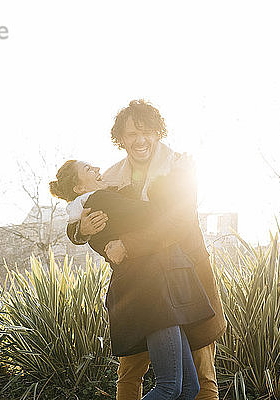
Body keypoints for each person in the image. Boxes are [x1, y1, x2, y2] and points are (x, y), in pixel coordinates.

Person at [67, 100, 226, 400]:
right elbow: (87, 215)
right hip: (139, 286)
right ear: (121, 139)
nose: (140, 140)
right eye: (131, 134)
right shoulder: (111, 177)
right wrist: (82, 231)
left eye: (147, 132)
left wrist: (127, 245)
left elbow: (178, 221)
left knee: (202, 378)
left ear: (157, 133)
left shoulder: (179, 167)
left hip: (187, 279)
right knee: (129, 375)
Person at [50, 159, 215, 400]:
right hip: (152, 293)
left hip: (163, 291)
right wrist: (180, 180)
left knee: (189, 388)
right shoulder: (101, 200)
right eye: (88, 169)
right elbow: (154, 215)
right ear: (78, 188)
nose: (97, 168)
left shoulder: (94, 205)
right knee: (169, 387)